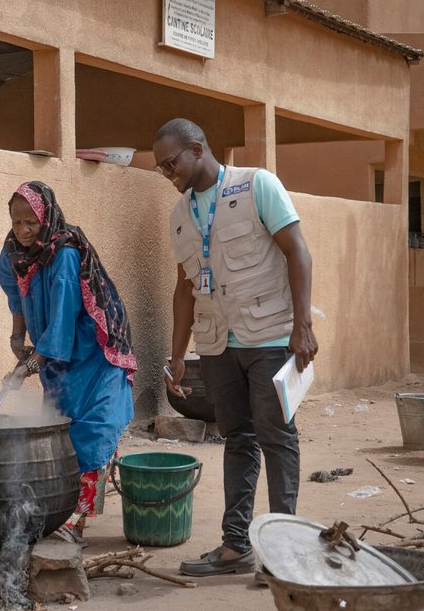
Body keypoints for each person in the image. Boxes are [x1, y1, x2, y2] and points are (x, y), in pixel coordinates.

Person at [152, 118, 318, 577]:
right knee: (237, 441)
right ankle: (234, 546)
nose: (169, 173)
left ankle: (285, 553)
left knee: (277, 440)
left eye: (172, 163)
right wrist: (177, 355)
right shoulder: (179, 216)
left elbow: (297, 251)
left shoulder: (256, 186)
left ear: (198, 148)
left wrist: (302, 326)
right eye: (161, 168)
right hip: (217, 345)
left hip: (268, 338)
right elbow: (184, 288)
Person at [0, 180, 137, 544]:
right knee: (60, 427)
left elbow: (62, 320)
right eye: (17, 222)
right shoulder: (13, 252)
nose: (24, 231)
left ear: (46, 217)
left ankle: (75, 519)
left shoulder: (64, 254)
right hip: (57, 355)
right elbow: (17, 297)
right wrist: (17, 340)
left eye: (32, 222)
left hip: (94, 351)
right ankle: (63, 505)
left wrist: (27, 366)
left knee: (93, 429)